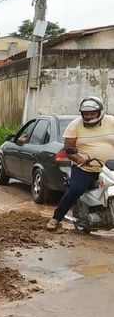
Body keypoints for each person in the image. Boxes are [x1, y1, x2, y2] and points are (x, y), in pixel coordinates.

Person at [46, 96, 114, 231]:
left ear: (100, 112)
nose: (89, 116)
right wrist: (79, 159)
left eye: (92, 113)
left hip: (109, 167)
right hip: (86, 167)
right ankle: (56, 218)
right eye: (86, 114)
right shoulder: (75, 125)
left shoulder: (111, 121)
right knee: (76, 189)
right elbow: (68, 149)